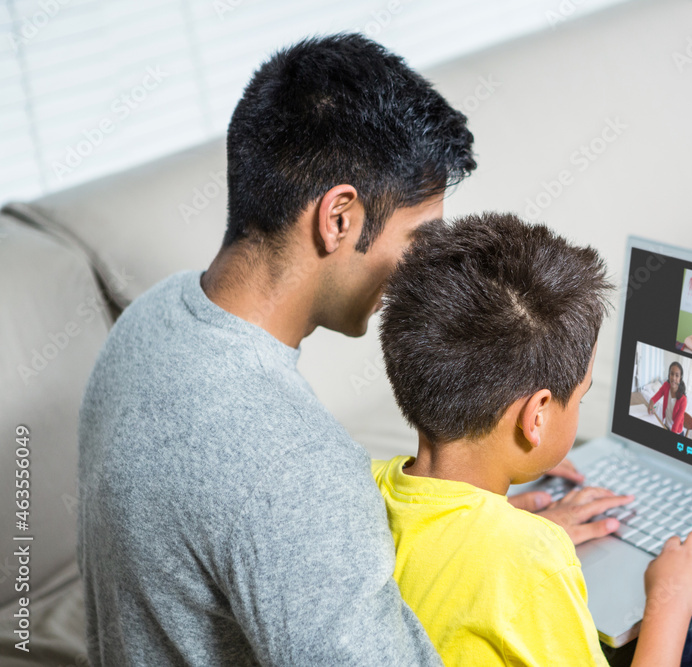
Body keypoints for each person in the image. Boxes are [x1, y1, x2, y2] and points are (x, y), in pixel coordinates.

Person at [76, 35, 618, 666]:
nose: (426, 268)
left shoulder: (150, 319)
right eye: (419, 236)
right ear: (339, 218)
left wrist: (486, 542)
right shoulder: (294, 467)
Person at [373, 213, 692, 666]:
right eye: (581, 398)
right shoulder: (534, 562)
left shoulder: (370, 486)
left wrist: (509, 525)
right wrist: (669, 602)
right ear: (535, 418)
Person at [649, 360, 688, 433]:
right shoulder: (666, 386)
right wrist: (651, 403)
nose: (673, 378)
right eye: (672, 374)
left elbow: (676, 424)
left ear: (680, 379)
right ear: (669, 375)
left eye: (677, 375)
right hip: (666, 425)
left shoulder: (683, 400)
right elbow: (655, 397)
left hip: (676, 431)